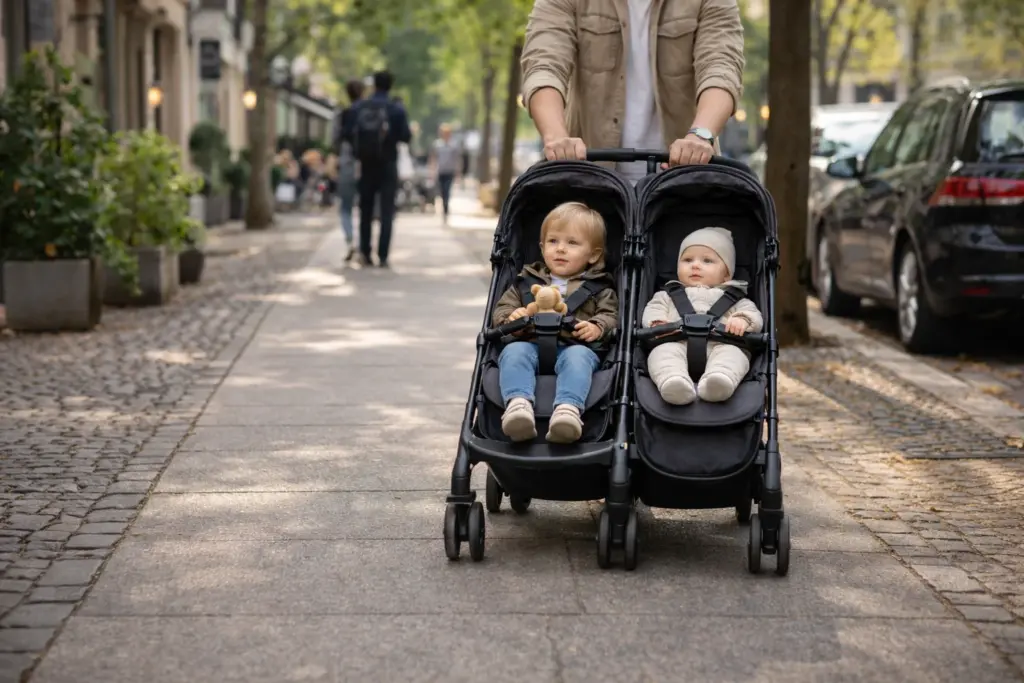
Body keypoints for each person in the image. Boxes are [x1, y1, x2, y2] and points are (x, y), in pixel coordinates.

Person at [520, 0, 745, 183]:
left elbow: (721, 68)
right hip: (589, 178)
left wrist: (700, 135)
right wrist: (557, 137)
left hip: (686, 178)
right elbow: (544, 64)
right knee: (566, 237)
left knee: (705, 240)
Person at [491, 202, 619, 443]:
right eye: (553, 241)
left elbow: (611, 315)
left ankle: (568, 410)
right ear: (542, 247)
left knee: (578, 359)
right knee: (513, 352)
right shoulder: (525, 281)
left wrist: (597, 326)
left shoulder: (601, 287)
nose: (560, 249)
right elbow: (502, 308)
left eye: (572, 243)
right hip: (529, 342)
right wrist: (511, 316)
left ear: (593, 255)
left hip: (574, 346)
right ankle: (518, 406)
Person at [641, 227, 762, 405]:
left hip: (720, 345)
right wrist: (657, 322)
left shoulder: (734, 298)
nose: (695, 265)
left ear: (726, 273)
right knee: (660, 353)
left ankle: (719, 381)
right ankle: (674, 383)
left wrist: (743, 320)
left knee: (734, 355)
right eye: (687, 260)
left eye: (707, 261)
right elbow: (653, 309)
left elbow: (754, 314)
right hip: (676, 343)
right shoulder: (667, 295)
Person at [341, 71, 413, 268]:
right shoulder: (396, 109)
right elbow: (406, 136)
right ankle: (383, 255)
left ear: (373, 85)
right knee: (387, 211)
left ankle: (365, 252)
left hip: (365, 165)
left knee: (365, 209)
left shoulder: (359, 107)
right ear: (390, 86)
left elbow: (346, 133)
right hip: (388, 164)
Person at [331, 79, 366, 262]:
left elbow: (334, 139)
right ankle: (363, 245)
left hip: (346, 163)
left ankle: (350, 240)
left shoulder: (342, 114)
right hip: (367, 165)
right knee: (364, 208)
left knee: (345, 207)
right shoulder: (368, 112)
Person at [430, 123, 460, 223]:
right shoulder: (437, 145)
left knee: (447, 191)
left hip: (449, 171)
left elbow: (457, 160)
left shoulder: (454, 145)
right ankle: (444, 207)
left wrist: (458, 172)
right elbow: (433, 158)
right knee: (442, 192)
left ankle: (446, 210)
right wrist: (432, 170)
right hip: (440, 171)